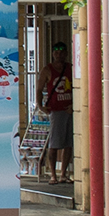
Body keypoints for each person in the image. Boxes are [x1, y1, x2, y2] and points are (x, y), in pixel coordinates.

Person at [37, 48, 73, 181]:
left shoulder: (71, 68)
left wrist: (74, 105)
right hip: (55, 110)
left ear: (66, 53)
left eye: (62, 52)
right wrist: (40, 105)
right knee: (54, 143)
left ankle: (63, 174)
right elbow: (39, 89)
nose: (59, 55)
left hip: (69, 109)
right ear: (52, 54)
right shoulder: (47, 70)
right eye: (56, 52)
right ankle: (53, 175)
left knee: (69, 143)